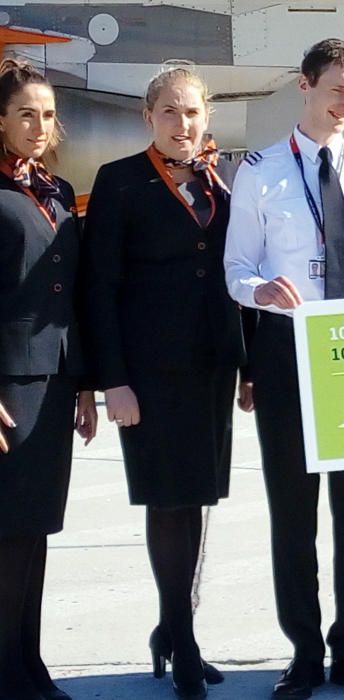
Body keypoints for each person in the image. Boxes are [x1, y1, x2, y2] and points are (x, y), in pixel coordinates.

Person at [224, 38, 344, 699]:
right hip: (286, 351)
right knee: (293, 513)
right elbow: (235, 268)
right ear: (305, 86)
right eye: (336, 90)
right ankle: (303, 651)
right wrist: (260, 292)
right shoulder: (260, 170)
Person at [83, 67, 245, 699]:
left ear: (208, 117)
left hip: (210, 367)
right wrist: (112, 382)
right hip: (148, 375)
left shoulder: (223, 180)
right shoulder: (120, 181)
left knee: (196, 497)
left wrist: (248, 367)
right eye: (171, 112)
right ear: (148, 117)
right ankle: (182, 642)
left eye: (194, 112)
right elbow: (100, 288)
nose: (184, 124)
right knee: (166, 501)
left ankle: (173, 626)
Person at [0, 57, 97, 700]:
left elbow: (73, 295)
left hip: (54, 382)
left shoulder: (56, 191)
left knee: (34, 532)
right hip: (8, 385)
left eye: (48, 114)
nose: (39, 125)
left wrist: (84, 383)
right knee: (7, 533)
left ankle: (27, 664)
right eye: (25, 114)